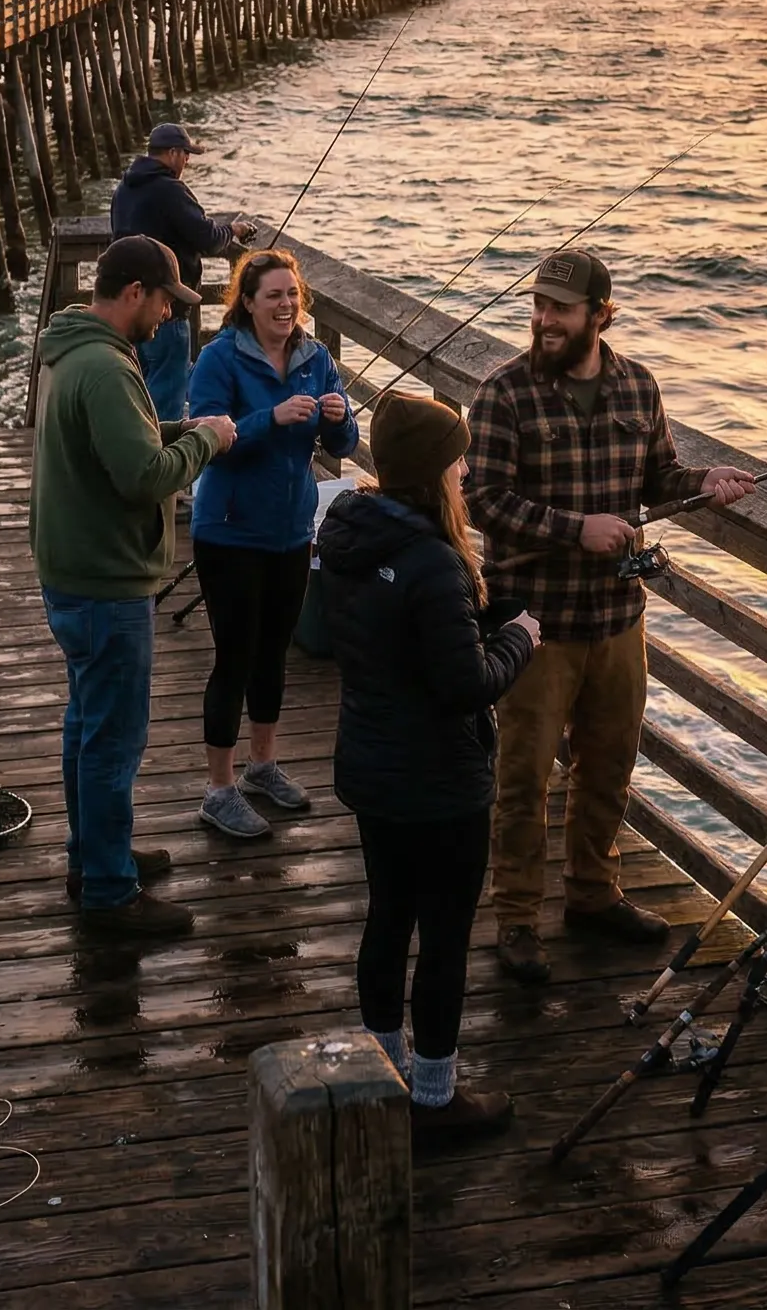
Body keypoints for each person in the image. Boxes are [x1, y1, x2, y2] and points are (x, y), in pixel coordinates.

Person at [466, 250, 757, 983]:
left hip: (619, 620)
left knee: (610, 770)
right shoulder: (504, 393)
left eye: (559, 309)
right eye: (537, 305)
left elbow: (659, 478)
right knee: (523, 779)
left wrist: (704, 480)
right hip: (534, 625)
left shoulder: (638, 386)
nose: (543, 320)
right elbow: (481, 500)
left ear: (600, 313)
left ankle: (595, 895)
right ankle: (518, 919)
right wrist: (576, 529)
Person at [318, 394, 539, 1138]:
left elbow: (396, 637)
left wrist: (479, 616)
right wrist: (521, 639)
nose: (467, 468)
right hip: (440, 785)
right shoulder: (434, 559)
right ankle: (436, 1101)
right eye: (458, 458)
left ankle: (383, 1076)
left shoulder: (352, 532)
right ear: (432, 470)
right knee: (443, 940)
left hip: (375, 769)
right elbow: (465, 687)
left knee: (388, 918)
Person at [30, 235, 237, 938]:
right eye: (165, 304)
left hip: (74, 573)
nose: (169, 319)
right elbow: (145, 477)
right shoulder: (108, 369)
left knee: (87, 728)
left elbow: (123, 443)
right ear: (135, 293)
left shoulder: (75, 351)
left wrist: (183, 426)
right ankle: (111, 892)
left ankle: (93, 857)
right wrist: (208, 443)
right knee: (114, 741)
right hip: (105, 583)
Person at [184, 249, 358, 838]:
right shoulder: (219, 358)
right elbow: (206, 435)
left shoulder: (317, 357)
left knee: (274, 653)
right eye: (273, 296)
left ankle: (263, 765)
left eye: (293, 295)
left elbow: (347, 437)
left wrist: (337, 418)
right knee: (234, 655)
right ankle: (219, 788)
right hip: (228, 530)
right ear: (248, 303)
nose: (286, 306)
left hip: (290, 530)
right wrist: (270, 417)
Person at [109, 121, 254, 420]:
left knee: (136, 394)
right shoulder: (171, 190)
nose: (187, 161)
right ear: (173, 153)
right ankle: (161, 462)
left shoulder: (124, 189)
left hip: (130, 311)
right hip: (167, 312)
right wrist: (234, 230)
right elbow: (208, 238)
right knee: (167, 405)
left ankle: (131, 456)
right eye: (186, 154)